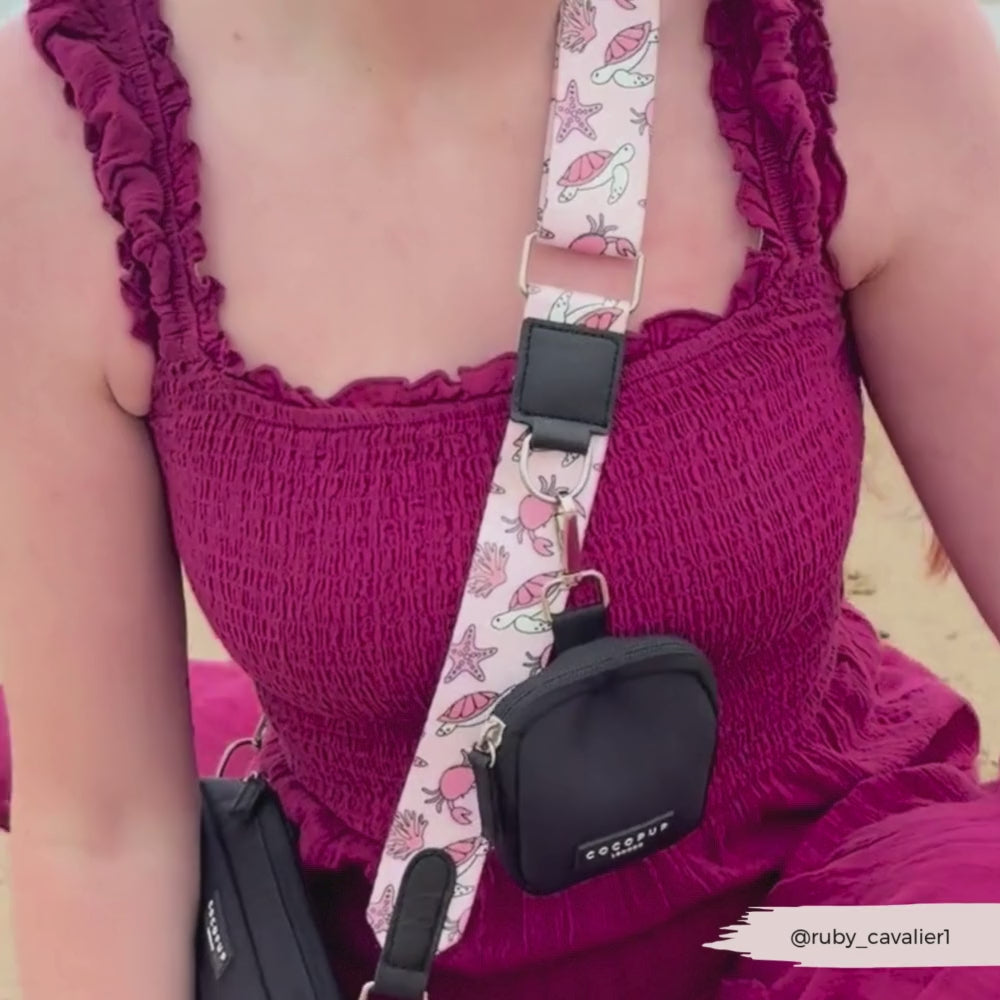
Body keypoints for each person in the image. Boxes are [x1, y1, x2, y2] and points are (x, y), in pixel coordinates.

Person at [1, 0, 999, 997]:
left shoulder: (842, 40)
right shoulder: (65, 138)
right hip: (397, 942)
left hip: (846, 915)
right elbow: (99, 834)